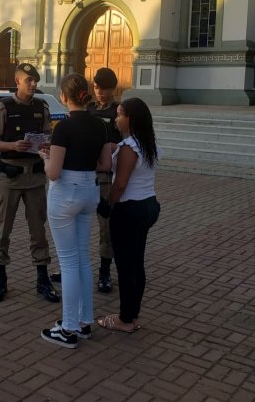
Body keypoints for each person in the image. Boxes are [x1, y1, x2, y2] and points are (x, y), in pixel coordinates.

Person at [39, 73, 112, 349]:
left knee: (69, 263)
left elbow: (54, 173)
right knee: (82, 259)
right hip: (89, 190)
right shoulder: (99, 125)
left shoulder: (63, 128)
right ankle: (83, 322)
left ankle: (68, 328)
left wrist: (45, 157)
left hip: (65, 193)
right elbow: (105, 163)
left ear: (64, 96)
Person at [0, 63, 60, 304]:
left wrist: (46, 144)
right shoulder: (3, 107)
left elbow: (48, 134)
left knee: (39, 231)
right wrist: (12, 146)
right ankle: (1, 279)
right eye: (28, 80)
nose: (33, 84)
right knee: (3, 230)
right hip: (10, 178)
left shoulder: (42, 106)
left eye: (35, 80)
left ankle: (42, 279)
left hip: (36, 178)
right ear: (17, 80)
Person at [50, 67, 121, 293]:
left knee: (106, 227)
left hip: (103, 176)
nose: (100, 93)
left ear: (113, 90)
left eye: (105, 89)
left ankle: (104, 271)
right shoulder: (87, 110)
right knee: (76, 231)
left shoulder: (117, 112)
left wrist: (112, 147)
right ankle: (70, 267)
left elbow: (127, 145)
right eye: (97, 88)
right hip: (84, 173)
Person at [97, 98, 161, 333]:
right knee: (136, 263)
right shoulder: (145, 142)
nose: (116, 118)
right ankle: (132, 315)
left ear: (130, 119)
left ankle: (125, 318)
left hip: (129, 210)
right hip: (147, 206)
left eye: (120, 114)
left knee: (125, 267)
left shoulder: (129, 148)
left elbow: (120, 184)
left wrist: (108, 204)